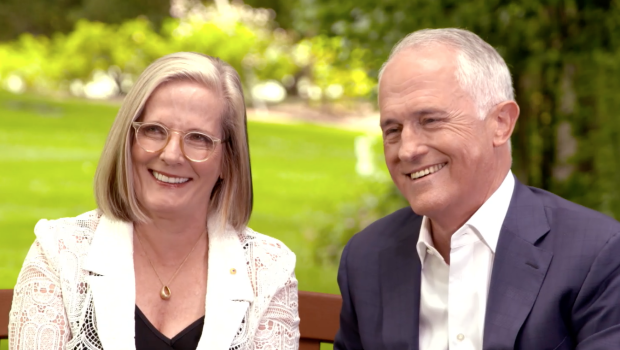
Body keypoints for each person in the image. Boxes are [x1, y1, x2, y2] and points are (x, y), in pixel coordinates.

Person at [334, 28, 620, 350]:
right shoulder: (367, 257)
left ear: (500, 123)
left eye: (430, 120)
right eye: (393, 129)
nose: (407, 150)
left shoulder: (597, 255)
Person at [9, 52, 300, 350]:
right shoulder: (60, 254)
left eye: (198, 138)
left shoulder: (267, 271)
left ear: (229, 160)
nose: (171, 154)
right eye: (154, 131)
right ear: (128, 140)